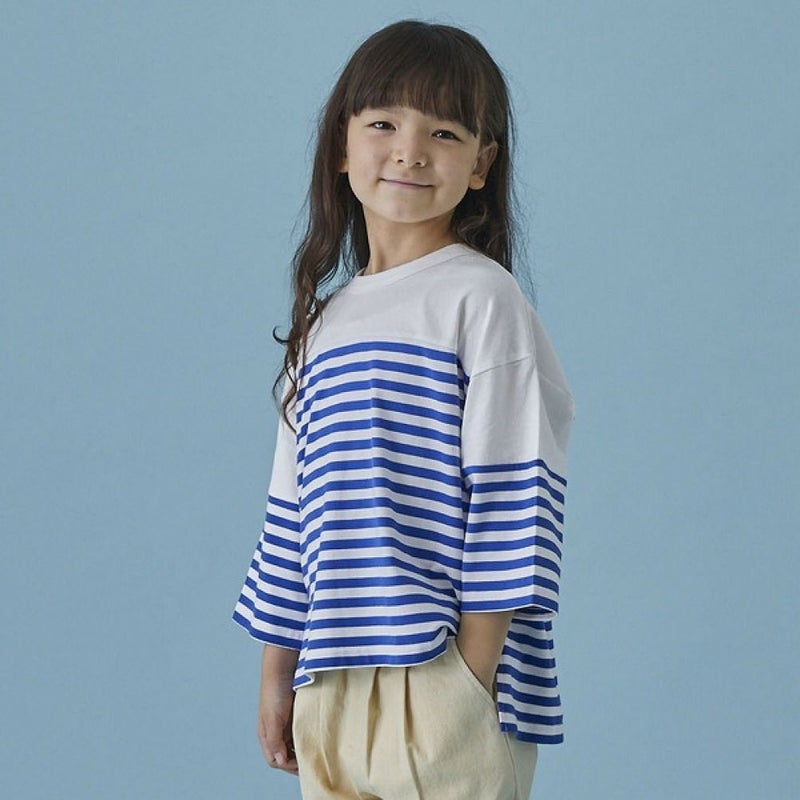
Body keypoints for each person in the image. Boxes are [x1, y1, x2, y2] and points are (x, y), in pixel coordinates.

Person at [232, 18, 575, 800]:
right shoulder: (325, 325)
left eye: (444, 132)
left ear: (481, 164)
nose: (410, 151)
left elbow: (515, 502)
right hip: (331, 679)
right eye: (383, 123)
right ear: (341, 146)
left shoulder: (481, 300)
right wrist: (277, 674)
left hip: (442, 676)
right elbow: (291, 513)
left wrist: (468, 679)